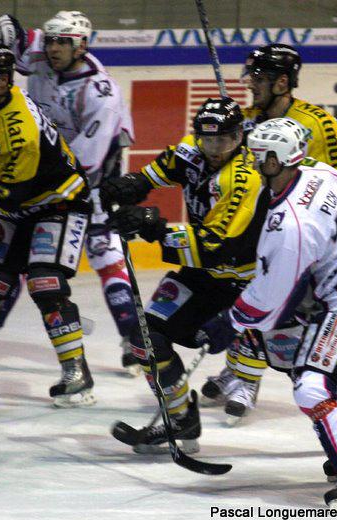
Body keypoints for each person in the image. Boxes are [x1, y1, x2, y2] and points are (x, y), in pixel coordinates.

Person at [0, 11, 141, 375]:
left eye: (64, 42)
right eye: (52, 40)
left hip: (87, 183)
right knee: (9, 259)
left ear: (82, 45)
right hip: (38, 174)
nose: (54, 48)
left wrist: (33, 180)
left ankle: (134, 339)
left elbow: (87, 161)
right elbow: (14, 43)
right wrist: (2, 26)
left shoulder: (101, 92)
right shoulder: (42, 55)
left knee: (106, 255)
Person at [228, 116, 337, 506]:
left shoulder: (291, 225)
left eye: (259, 156)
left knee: (311, 386)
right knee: (324, 377)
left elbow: (272, 295)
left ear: (275, 160)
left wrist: (229, 321)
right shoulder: (316, 173)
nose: (252, 161)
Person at [200, 42, 337, 420]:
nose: (250, 83)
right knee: (243, 296)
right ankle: (239, 370)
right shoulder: (246, 117)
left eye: (259, 77)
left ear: (282, 82)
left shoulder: (319, 123)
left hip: (294, 233)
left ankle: (257, 381)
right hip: (255, 228)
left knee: (280, 315)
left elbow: (336, 183)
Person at [102, 97, 267, 453]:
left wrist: (153, 226)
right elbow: (153, 175)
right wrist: (128, 185)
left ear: (239, 137)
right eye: (208, 140)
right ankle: (181, 420)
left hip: (238, 282)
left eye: (223, 140)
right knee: (145, 338)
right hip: (199, 274)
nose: (215, 149)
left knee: (302, 370)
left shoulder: (243, 179)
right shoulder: (191, 151)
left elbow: (213, 246)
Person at [0, 44, 94, 407]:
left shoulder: (19, 127)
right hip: (25, 202)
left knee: (45, 283)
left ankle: (75, 370)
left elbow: (7, 196)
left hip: (60, 203)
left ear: (3, 81)